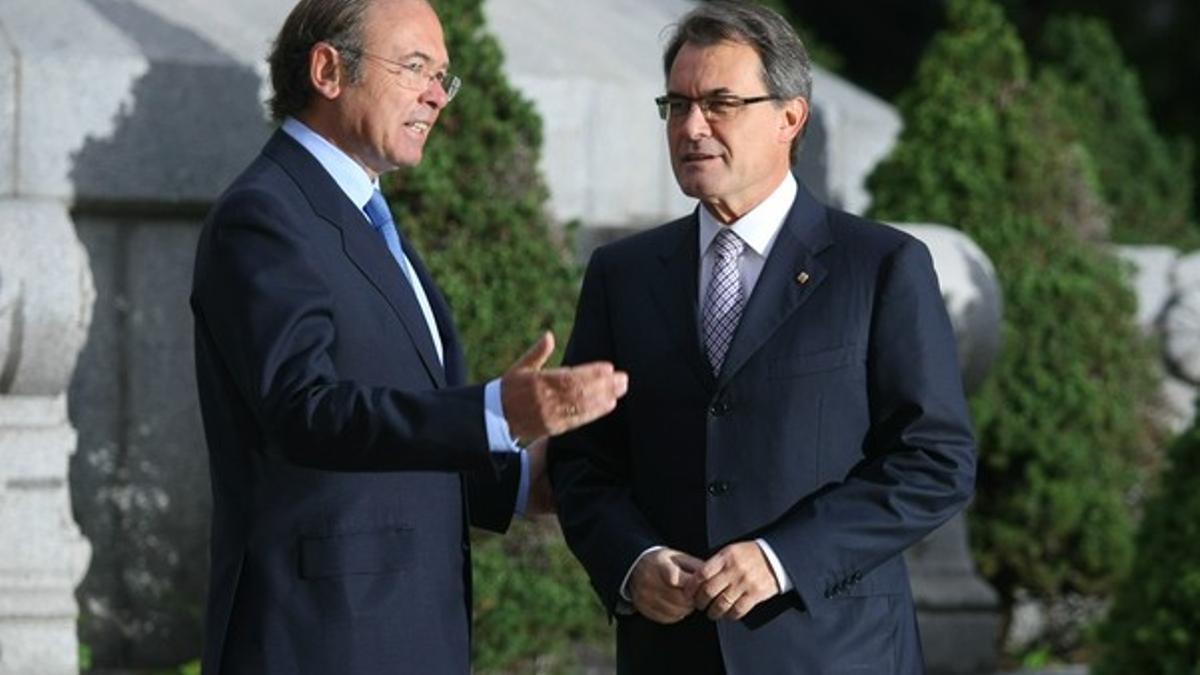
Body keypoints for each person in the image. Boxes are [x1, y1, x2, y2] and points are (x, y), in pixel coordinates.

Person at [189, 0, 628, 672]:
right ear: (329, 69)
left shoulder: (365, 216)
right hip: (323, 641)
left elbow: (395, 443)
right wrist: (492, 413)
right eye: (416, 67)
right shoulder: (266, 215)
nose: (437, 96)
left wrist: (520, 475)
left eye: (443, 78)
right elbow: (305, 409)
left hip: (407, 633)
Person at [549, 2, 976, 673]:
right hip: (672, 652)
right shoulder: (622, 275)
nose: (692, 127)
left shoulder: (881, 266)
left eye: (720, 103)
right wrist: (633, 561)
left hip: (834, 651)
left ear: (790, 117)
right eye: (678, 104)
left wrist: (783, 558)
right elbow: (583, 463)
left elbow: (934, 462)